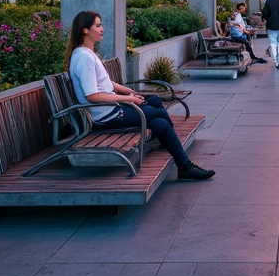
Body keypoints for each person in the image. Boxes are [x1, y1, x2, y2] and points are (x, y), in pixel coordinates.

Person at [66, 10, 213, 181]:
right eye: (97, 25)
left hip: (112, 109)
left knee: (158, 118)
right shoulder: (84, 58)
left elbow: (105, 83)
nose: (102, 29)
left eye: (101, 25)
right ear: (85, 30)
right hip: (105, 116)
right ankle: (180, 156)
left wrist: (128, 91)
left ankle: (183, 164)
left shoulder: (88, 54)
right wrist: (128, 99)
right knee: (157, 113)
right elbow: (93, 96)